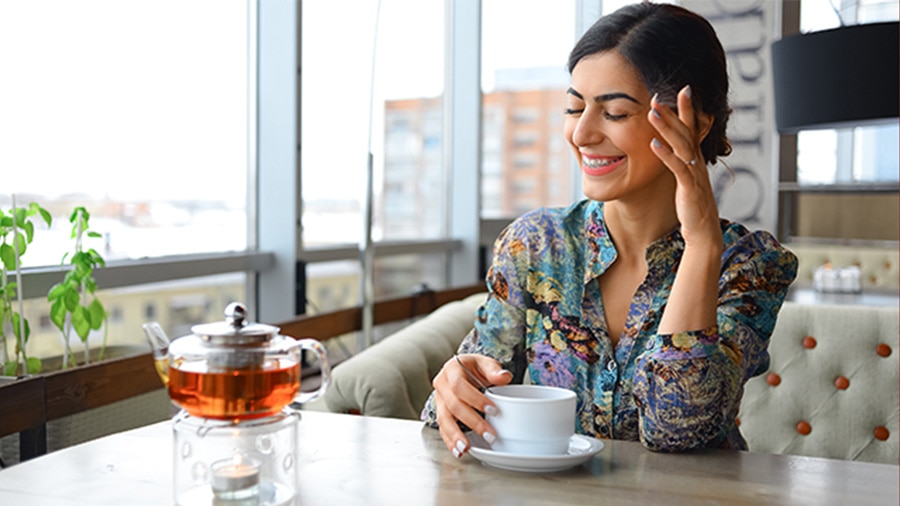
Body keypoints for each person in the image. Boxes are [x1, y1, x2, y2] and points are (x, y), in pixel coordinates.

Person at [422, 2, 798, 458]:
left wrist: (701, 246)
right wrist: (455, 387)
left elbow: (678, 431)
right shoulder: (536, 245)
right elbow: (459, 414)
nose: (581, 134)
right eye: (573, 108)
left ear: (696, 123)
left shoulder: (751, 265)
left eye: (615, 112)